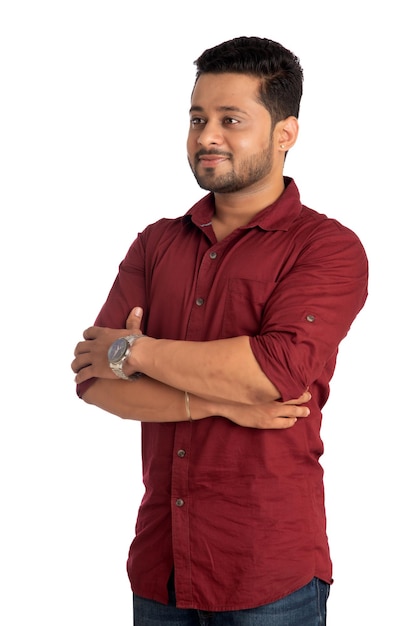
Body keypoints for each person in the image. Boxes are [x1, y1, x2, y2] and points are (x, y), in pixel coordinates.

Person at [72, 36, 368, 625]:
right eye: (197, 118)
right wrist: (218, 402)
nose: (207, 136)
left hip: (267, 570)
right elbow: (92, 377)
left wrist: (136, 351)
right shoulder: (156, 243)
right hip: (163, 566)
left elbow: (274, 372)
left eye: (231, 120)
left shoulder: (328, 248)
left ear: (285, 134)